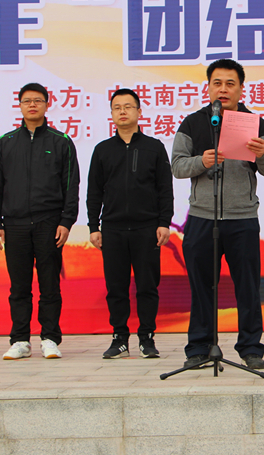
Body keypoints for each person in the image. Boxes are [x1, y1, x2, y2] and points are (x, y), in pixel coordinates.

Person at [171, 58, 264, 370]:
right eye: (217, 83)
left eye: (230, 83)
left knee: (247, 287)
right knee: (201, 286)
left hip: (242, 218)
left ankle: (251, 348)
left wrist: (262, 155)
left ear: (241, 89)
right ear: (208, 87)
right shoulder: (193, 123)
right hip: (202, 217)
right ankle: (199, 347)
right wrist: (201, 162)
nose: (223, 89)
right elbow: (177, 166)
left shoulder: (255, 123)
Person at [0, 83, 80, 360]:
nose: (32, 105)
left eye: (38, 100)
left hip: (49, 222)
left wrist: (66, 221)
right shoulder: (5, 143)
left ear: (47, 104)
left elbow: (70, 185)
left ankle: (50, 338)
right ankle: (20, 340)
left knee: (50, 284)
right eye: (27, 101)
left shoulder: (61, 141)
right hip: (14, 224)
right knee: (19, 286)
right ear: (19, 105)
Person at [87, 88, 174, 359]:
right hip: (112, 229)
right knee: (116, 287)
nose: (122, 111)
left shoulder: (154, 147)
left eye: (128, 106)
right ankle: (119, 338)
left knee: (147, 286)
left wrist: (164, 222)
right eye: (117, 107)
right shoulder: (102, 150)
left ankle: (147, 337)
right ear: (112, 114)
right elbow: (94, 191)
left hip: (146, 228)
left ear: (139, 111)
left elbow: (165, 189)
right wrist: (93, 226)